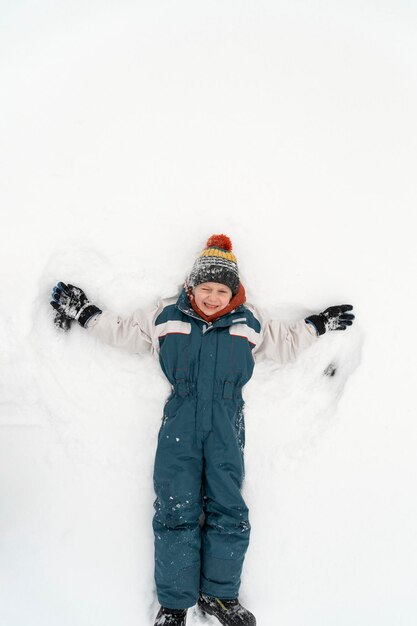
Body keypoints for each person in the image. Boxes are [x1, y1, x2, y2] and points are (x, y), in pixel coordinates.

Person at [50, 234, 355, 626]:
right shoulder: (165, 316)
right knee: (176, 505)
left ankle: (219, 595)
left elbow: (286, 342)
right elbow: (123, 332)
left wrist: (319, 324)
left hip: (227, 423)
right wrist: (88, 313)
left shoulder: (249, 322)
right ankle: (174, 604)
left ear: (235, 293)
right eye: (206, 288)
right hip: (180, 420)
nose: (213, 297)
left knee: (228, 507)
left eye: (222, 290)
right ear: (191, 287)